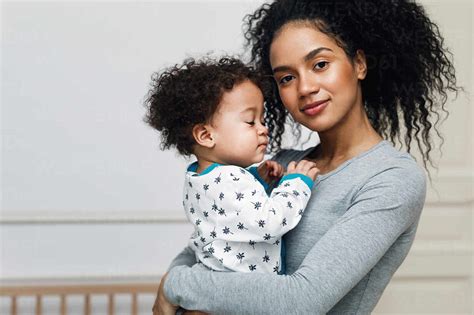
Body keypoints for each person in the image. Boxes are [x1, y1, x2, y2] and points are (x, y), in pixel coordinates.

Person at [153, 0, 459, 314]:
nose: (305, 88)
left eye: (320, 64)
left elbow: (301, 300)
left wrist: (175, 285)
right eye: (286, 78)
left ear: (359, 64)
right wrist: (181, 279)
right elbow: (210, 243)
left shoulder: (391, 179)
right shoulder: (279, 165)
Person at [144, 57, 319, 275]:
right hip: (244, 293)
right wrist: (296, 184)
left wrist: (257, 177)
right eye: (250, 121)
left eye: (263, 120)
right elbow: (269, 223)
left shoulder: (197, 178)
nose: (263, 129)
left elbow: (232, 218)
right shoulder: (231, 181)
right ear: (206, 135)